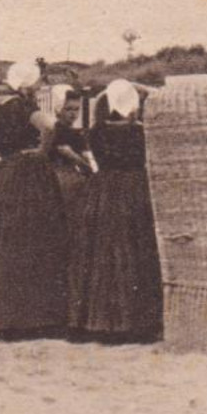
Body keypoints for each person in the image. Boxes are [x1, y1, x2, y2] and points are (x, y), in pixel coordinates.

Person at [0, 62, 71, 338]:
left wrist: (10, 157)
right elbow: (51, 126)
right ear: (25, 87)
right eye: (35, 85)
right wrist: (39, 152)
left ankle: (3, 314)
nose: (37, 90)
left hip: (5, 174)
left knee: (3, 241)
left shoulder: (0, 109)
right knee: (36, 239)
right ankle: (34, 317)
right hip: (30, 172)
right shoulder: (24, 107)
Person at [66, 79, 163, 342]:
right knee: (133, 252)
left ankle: (94, 320)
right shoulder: (140, 132)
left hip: (102, 190)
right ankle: (132, 322)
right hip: (134, 190)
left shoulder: (97, 131)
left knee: (99, 252)